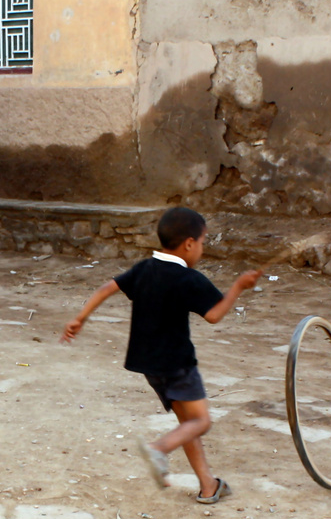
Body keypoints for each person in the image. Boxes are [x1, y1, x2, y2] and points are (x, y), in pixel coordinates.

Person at [62, 207, 260, 503]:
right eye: (203, 242)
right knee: (201, 422)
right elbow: (215, 314)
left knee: (188, 424)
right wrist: (238, 287)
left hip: (150, 367)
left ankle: (209, 486)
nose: (202, 250)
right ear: (189, 244)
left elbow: (107, 287)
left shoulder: (145, 268)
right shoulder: (188, 278)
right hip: (178, 365)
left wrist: (81, 318)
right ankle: (158, 449)